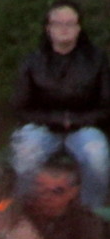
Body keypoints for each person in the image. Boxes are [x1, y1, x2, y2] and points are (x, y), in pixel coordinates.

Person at [10, 1, 110, 209]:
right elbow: (19, 107)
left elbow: (106, 106)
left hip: (84, 127)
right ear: (48, 28)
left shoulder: (97, 60)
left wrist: (76, 121)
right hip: (41, 127)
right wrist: (54, 120)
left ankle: (91, 214)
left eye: (70, 23)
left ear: (79, 27)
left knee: (97, 156)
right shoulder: (32, 61)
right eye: (58, 23)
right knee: (25, 153)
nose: (64, 28)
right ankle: (25, 214)